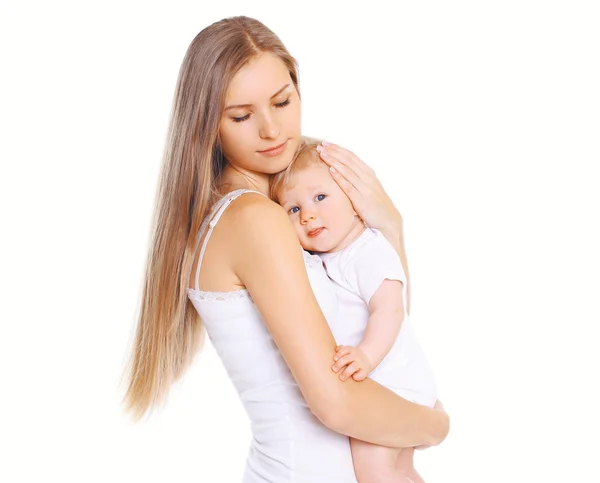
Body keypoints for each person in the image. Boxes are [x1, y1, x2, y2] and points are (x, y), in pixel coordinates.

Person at [121, 15, 449, 483]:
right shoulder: (257, 220)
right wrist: (435, 425)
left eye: (282, 101)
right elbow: (335, 402)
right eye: (241, 115)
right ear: (207, 125)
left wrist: (388, 229)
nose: (272, 130)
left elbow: (377, 327)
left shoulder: (269, 213)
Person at [271, 140, 439, 483]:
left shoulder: (367, 250)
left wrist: (366, 355)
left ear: (354, 199)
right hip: (388, 384)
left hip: (395, 385)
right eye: (292, 209)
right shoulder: (328, 258)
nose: (308, 215)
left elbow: (389, 310)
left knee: (372, 469)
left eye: (320, 197)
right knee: (401, 469)